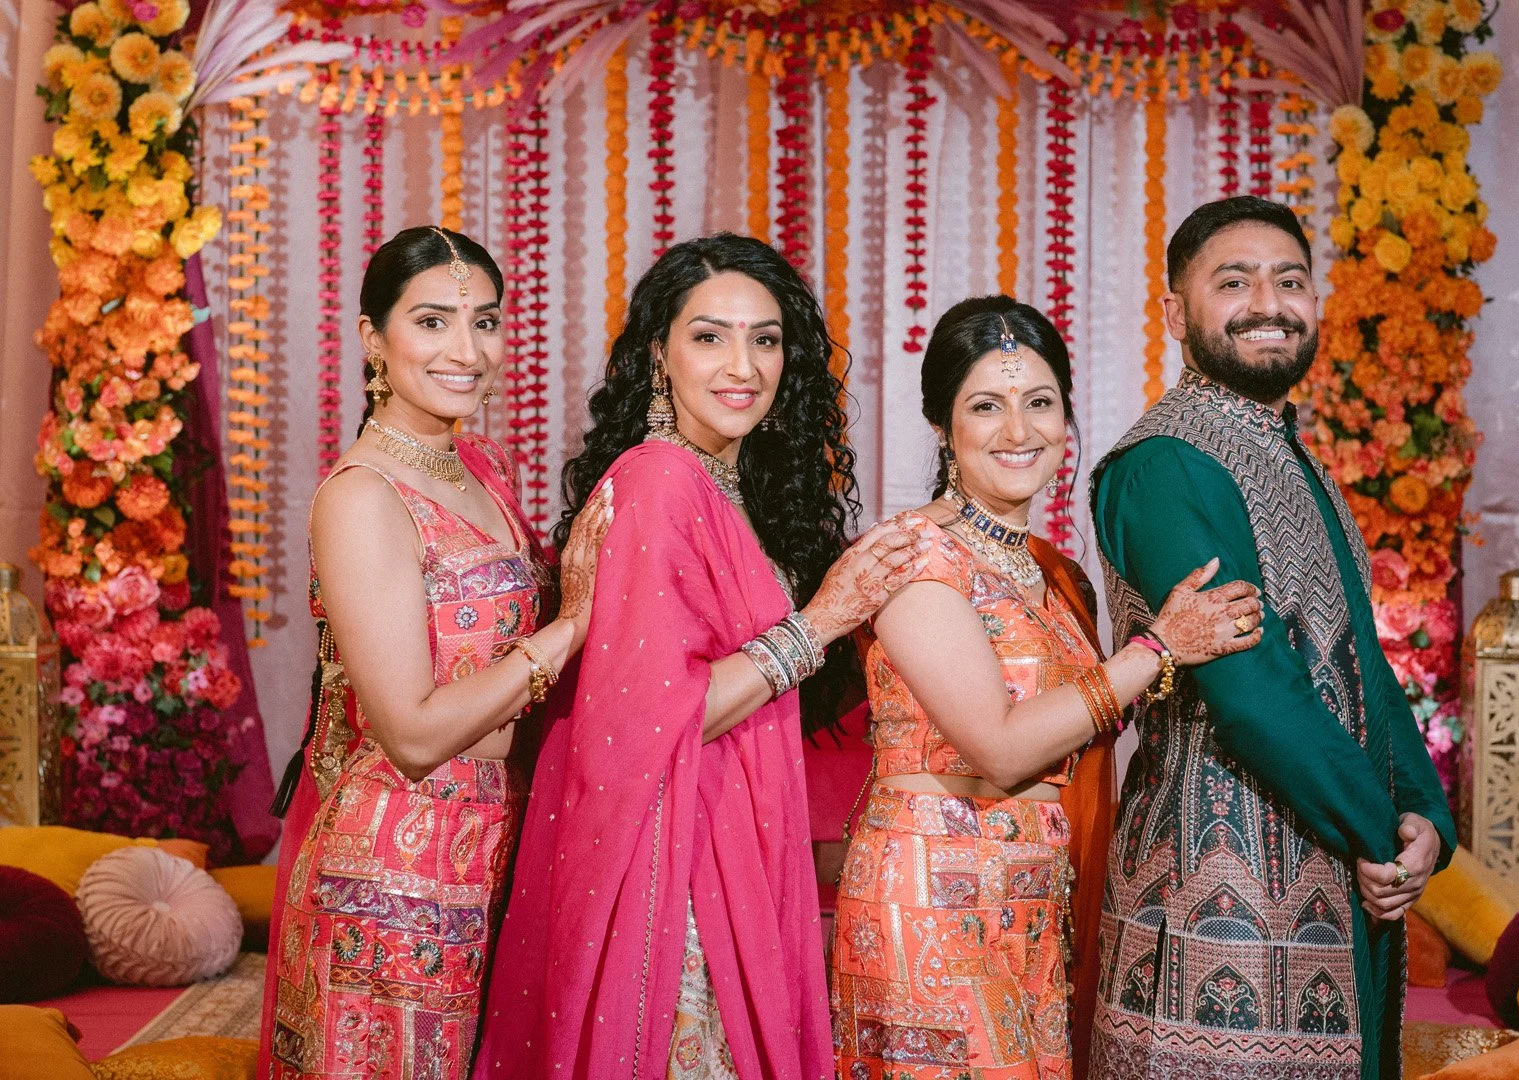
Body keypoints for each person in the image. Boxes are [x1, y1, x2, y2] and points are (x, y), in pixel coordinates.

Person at [473, 233, 931, 1080]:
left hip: (730, 829)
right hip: (676, 867)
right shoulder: (660, 482)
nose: (743, 366)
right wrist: (822, 620)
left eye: (765, 340)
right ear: (660, 355)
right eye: (710, 336)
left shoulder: (728, 485)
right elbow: (652, 718)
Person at [827, 295, 1263, 1080]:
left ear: (1066, 415)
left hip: (1034, 906)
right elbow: (998, 747)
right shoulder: (913, 559)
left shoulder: (1054, 575)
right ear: (941, 425)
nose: (1018, 430)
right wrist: (1159, 646)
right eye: (985, 406)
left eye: (1039, 402)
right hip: (929, 905)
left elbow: (1081, 722)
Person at [1087, 196, 1457, 1080]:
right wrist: (1379, 833)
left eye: (1289, 281)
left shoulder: (1296, 459)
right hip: (1217, 894)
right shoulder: (1166, 464)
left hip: (1338, 866)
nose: (1268, 303)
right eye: (1234, 282)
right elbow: (1252, 693)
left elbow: (1363, 664)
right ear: (1175, 313)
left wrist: (1427, 826)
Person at [259, 226, 612, 1080]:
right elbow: (412, 735)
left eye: (484, 322)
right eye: (432, 322)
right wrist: (573, 626)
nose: (467, 351)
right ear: (373, 338)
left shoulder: (480, 466)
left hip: (502, 842)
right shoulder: (363, 499)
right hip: (396, 873)